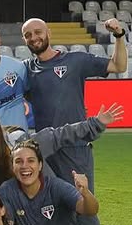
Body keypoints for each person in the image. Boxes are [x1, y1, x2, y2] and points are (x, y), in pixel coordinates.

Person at [21, 16, 126, 190]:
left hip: (75, 147)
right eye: (28, 34)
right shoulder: (25, 69)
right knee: (49, 206)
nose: (33, 37)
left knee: (81, 204)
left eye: (38, 32)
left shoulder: (76, 60)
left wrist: (119, 35)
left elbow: (118, 66)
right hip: (45, 150)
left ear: (49, 33)